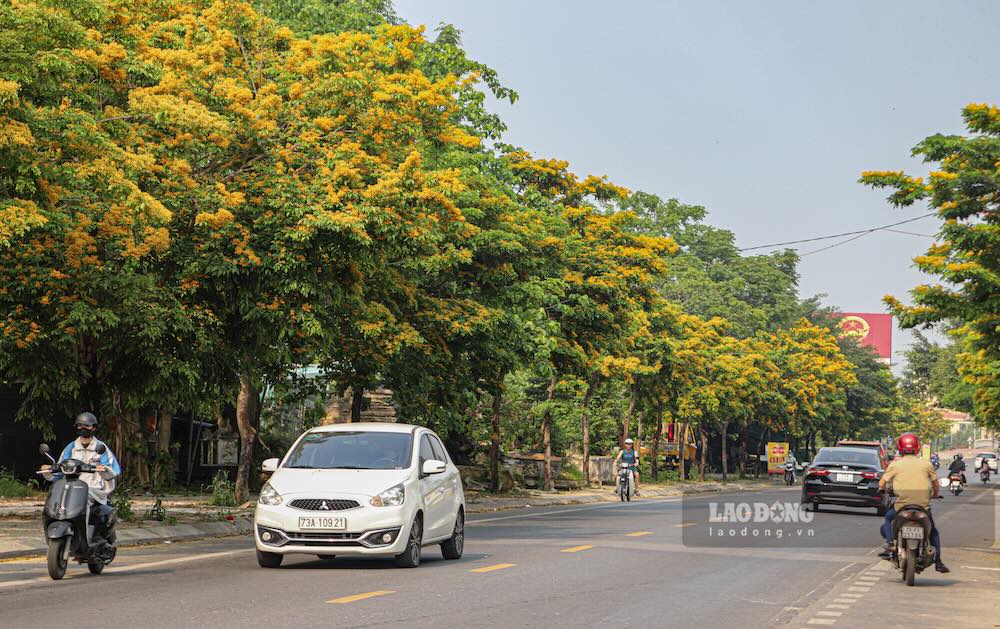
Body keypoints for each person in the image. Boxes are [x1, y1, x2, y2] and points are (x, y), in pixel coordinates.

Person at [40, 412, 121, 542]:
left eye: (87, 426)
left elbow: (114, 470)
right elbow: (60, 469)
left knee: (83, 502)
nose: (83, 428)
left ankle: (85, 539)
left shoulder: (101, 448)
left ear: (94, 428)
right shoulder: (71, 448)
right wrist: (48, 470)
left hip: (94, 489)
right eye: (80, 426)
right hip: (72, 486)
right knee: (55, 500)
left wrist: (103, 469)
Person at [878, 433, 948, 573]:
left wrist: (882, 490)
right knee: (933, 533)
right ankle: (938, 562)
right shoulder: (926, 464)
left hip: (901, 507)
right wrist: (935, 495)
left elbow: (882, 483)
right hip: (922, 508)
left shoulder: (895, 464)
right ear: (917, 447)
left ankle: (891, 543)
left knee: (887, 519)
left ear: (900, 447)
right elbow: (935, 485)